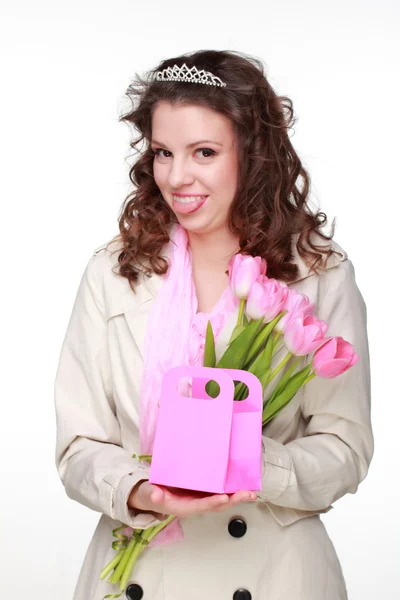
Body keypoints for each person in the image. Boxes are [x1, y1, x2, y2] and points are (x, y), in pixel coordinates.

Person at [54, 50, 374, 600]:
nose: (177, 177)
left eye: (204, 151)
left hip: (273, 575)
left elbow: (346, 448)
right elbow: (78, 445)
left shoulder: (317, 273)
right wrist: (144, 492)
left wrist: (248, 461)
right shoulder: (114, 272)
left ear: (252, 155)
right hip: (141, 567)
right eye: (162, 153)